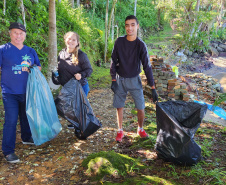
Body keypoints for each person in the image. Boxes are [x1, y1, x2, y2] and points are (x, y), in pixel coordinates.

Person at [110, 15, 158, 142]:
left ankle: (140, 128)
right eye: (127, 25)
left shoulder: (140, 45)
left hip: (135, 79)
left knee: (140, 106)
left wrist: (152, 87)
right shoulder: (119, 42)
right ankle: (120, 130)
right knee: (119, 105)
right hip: (121, 79)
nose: (129, 28)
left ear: (137, 26)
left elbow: (147, 66)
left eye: (132, 25)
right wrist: (113, 79)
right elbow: (113, 61)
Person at [0, 22, 42, 163]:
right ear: (10, 34)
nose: (18, 36)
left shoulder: (30, 51)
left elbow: (39, 67)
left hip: (27, 90)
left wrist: (32, 67)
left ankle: (26, 137)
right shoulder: (3, 49)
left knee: (26, 116)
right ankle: (8, 151)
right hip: (9, 92)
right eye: (15, 33)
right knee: (11, 121)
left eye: (21, 33)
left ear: (25, 35)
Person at [54, 31, 93, 129]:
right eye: (69, 38)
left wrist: (81, 74)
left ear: (77, 43)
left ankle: (84, 129)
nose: (71, 41)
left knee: (80, 110)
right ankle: (75, 123)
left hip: (80, 87)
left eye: (74, 40)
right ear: (65, 39)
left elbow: (89, 69)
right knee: (70, 109)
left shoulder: (81, 55)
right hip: (67, 89)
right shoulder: (61, 53)